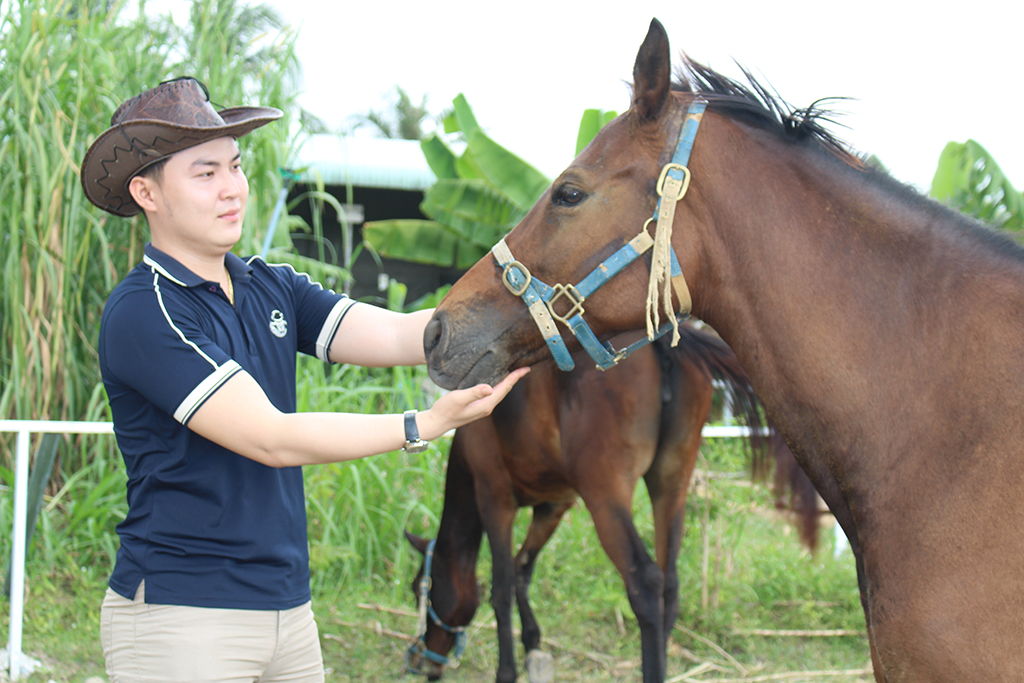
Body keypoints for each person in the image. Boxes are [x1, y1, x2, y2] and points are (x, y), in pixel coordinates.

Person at [80, 76, 528, 683]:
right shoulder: (146, 311)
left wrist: (523, 310)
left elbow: (404, 334)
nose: (232, 189)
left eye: (235, 167)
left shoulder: (271, 284)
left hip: (289, 613)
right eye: (205, 174)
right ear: (147, 193)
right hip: (182, 618)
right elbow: (271, 437)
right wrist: (424, 424)